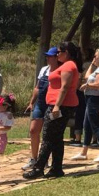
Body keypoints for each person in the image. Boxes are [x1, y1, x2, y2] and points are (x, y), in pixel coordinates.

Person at [23, 41, 81, 179]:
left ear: (66, 53)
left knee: (48, 136)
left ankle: (38, 168)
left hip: (60, 106)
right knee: (56, 138)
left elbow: (65, 87)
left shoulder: (68, 65)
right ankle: (56, 168)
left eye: (59, 52)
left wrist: (56, 105)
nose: (57, 54)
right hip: (59, 104)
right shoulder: (67, 65)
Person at [23, 47, 60, 171]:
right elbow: (38, 87)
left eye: (50, 56)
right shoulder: (44, 70)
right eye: (47, 56)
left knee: (49, 132)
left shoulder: (60, 70)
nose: (48, 58)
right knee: (34, 130)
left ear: (56, 57)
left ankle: (44, 159)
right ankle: (34, 158)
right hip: (40, 103)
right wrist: (31, 102)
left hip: (52, 104)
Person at [73, 48, 99, 162]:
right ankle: (84, 152)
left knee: (95, 125)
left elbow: (98, 84)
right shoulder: (97, 69)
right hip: (90, 99)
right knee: (87, 125)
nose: (94, 58)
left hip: (95, 99)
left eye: (96, 56)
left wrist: (87, 86)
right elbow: (86, 76)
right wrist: (92, 65)